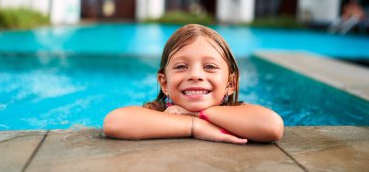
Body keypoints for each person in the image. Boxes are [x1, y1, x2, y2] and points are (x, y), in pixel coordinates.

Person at [103, 24, 284, 144]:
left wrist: (200, 113)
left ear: (231, 83)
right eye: (181, 66)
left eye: (210, 66)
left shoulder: (236, 111)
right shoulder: (159, 110)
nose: (196, 75)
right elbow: (114, 122)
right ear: (164, 83)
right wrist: (194, 126)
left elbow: (272, 127)